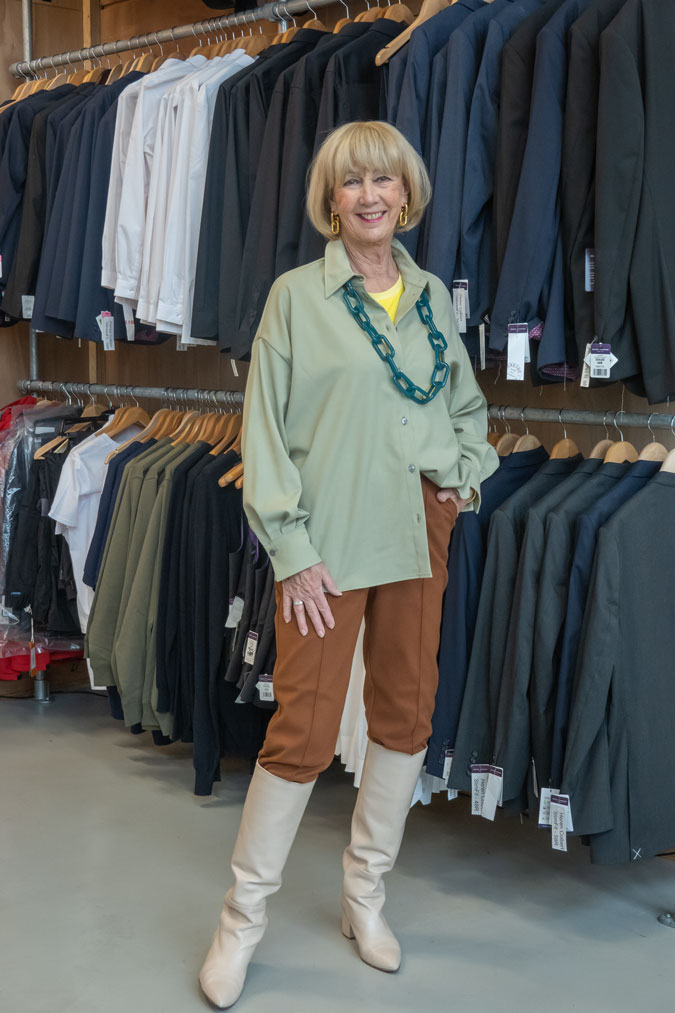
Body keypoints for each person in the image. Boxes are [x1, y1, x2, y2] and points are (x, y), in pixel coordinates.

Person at [199, 120, 499, 1008]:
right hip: (323, 547)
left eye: (384, 180)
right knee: (304, 728)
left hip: (416, 531)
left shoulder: (431, 298)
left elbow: (467, 405)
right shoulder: (295, 297)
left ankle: (363, 896)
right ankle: (239, 922)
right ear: (329, 200)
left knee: (406, 713)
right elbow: (263, 436)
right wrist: (291, 554)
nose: (369, 195)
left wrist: (461, 484)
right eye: (350, 181)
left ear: (407, 194)